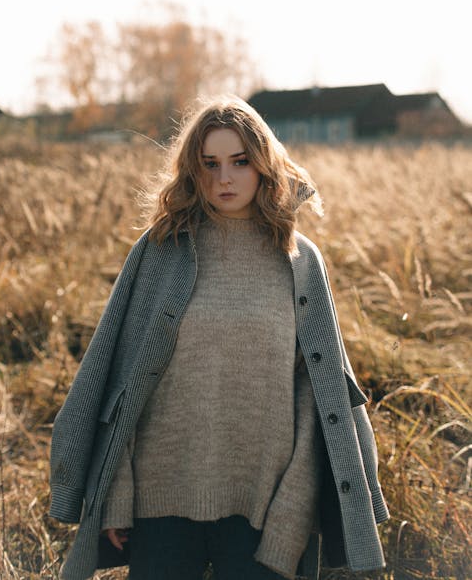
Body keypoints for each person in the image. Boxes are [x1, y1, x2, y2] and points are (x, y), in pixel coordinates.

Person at [49, 95, 389, 580]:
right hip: (159, 507)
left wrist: (292, 517)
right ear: (193, 169)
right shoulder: (161, 251)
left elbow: (318, 402)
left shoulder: (298, 259)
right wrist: (117, 498)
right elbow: (125, 381)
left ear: (264, 165)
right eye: (209, 164)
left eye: (239, 162)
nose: (224, 179)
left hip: (265, 510)